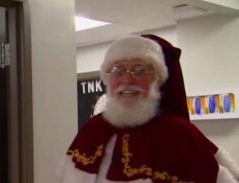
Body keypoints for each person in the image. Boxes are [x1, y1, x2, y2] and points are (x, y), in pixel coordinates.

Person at [56, 35, 239, 183]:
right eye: (118, 70)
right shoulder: (91, 130)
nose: (127, 80)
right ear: (107, 78)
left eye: (140, 69)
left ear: (157, 79)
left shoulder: (180, 134)